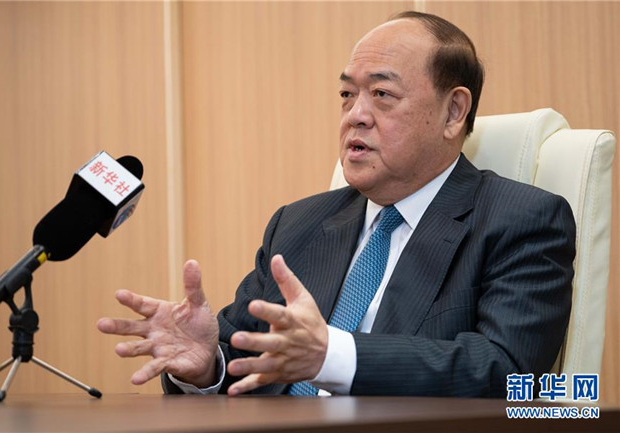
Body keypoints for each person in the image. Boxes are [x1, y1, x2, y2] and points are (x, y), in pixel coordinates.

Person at [97, 11, 575, 397]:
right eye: (347, 94)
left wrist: (333, 357)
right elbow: (243, 358)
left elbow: (506, 372)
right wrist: (208, 366)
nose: (355, 115)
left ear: (453, 112)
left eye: (382, 94)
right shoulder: (298, 224)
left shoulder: (521, 220)